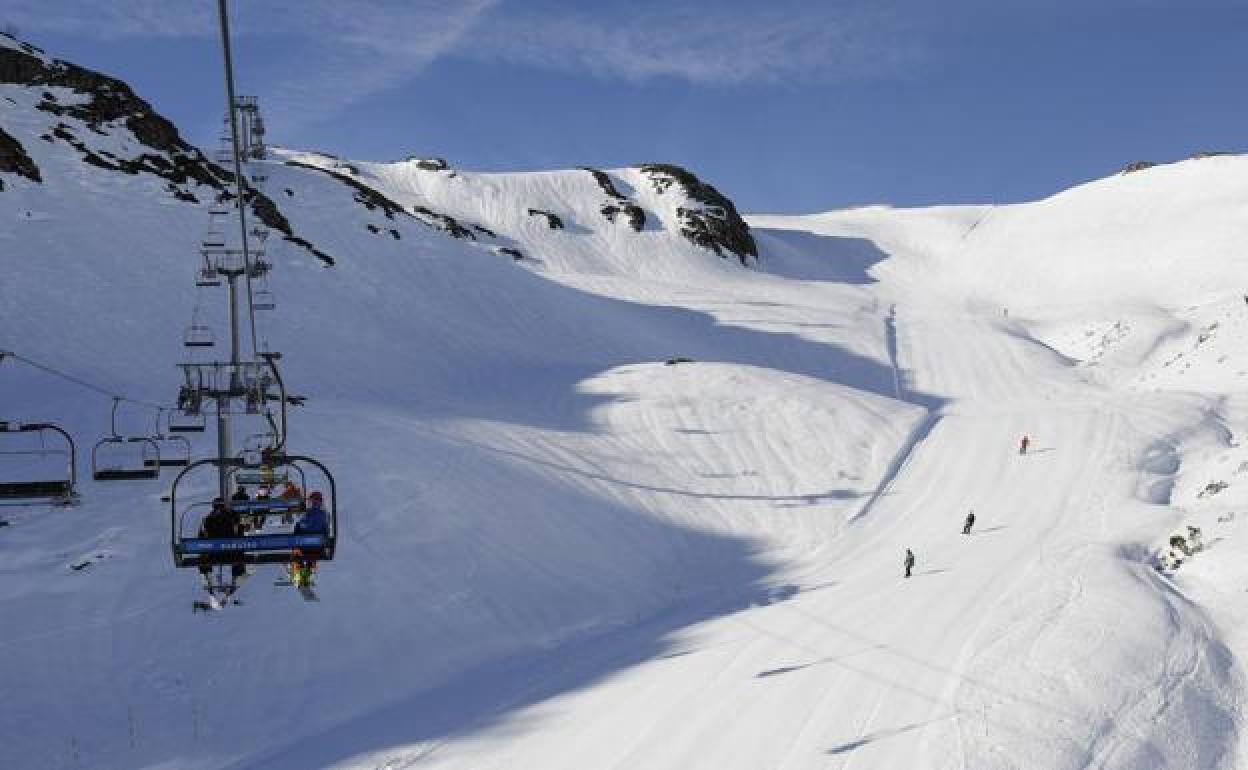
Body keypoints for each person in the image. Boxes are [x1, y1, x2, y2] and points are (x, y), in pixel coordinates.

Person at [198, 498, 245, 596]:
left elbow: (201, 538)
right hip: (231, 553)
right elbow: (240, 535)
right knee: (239, 554)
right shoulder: (232, 516)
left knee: (203, 556)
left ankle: (207, 577)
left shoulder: (208, 519)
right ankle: (236, 577)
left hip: (213, 554)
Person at [291, 490, 329, 587]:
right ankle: (307, 574)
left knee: (297, 550)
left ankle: (298, 573)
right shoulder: (324, 515)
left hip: (304, 547)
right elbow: (326, 531)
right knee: (313, 554)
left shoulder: (306, 514)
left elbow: (298, 528)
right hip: (317, 548)